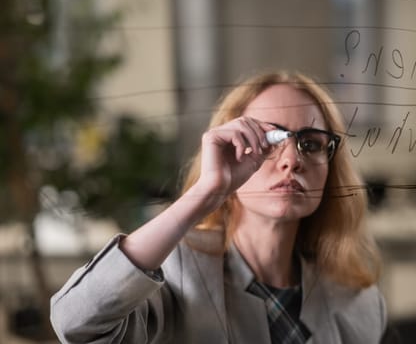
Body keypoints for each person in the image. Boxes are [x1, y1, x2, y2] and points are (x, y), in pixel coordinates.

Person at [50, 71, 387, 343]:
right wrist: (205, 193)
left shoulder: (357, 301)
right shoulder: (176, 276)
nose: (292, 160)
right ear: (228, 148)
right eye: (270, 140)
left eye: (311, 143)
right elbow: (76, 325)